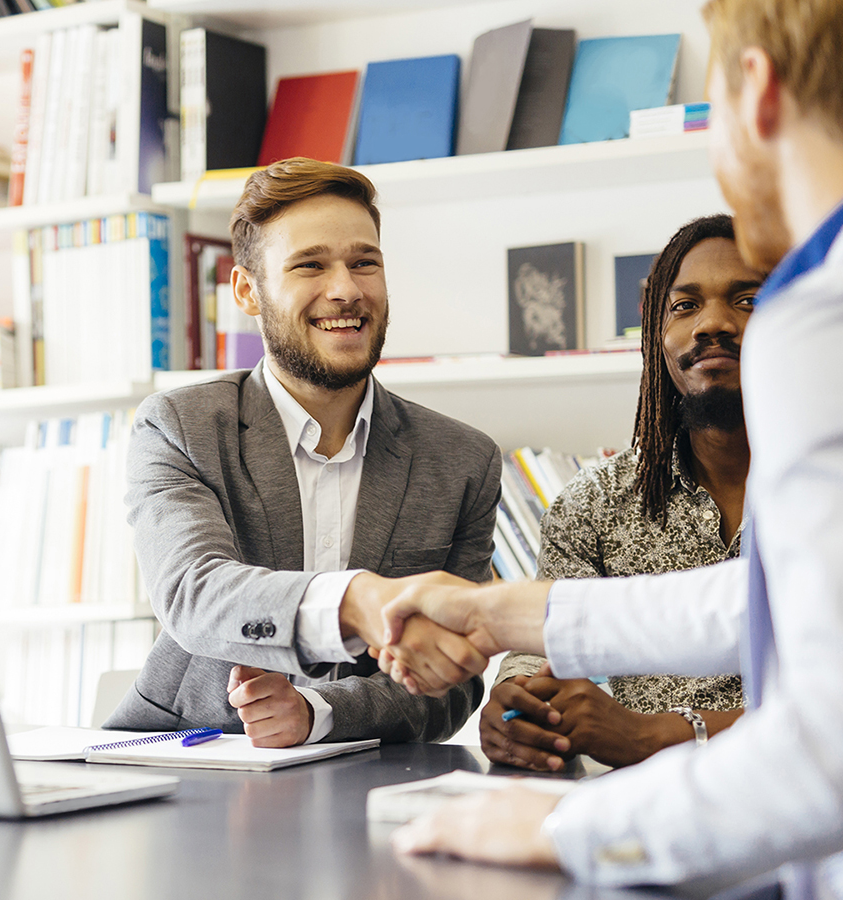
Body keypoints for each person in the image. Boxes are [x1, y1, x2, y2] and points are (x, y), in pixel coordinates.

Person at [375, 0, 843, 891]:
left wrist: (576, 826)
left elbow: (826, 746)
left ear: (756, 91)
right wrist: (501, 614)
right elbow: (785, 600)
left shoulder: (819, 322)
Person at [103, 157, 501, 747]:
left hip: (367, 774)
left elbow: (452, 681)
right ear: (248, 291)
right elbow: (195, 592)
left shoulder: (463, 460)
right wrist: (356, 600)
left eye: (364, 262)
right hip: (187, 755)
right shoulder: (179, 427)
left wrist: (319, 712)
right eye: (309, 265)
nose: (345, 290)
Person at [485, 214, 765, 772]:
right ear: (655, 340)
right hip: (641, 823)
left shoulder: (824, 488)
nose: (713, 323)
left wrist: (661, 734)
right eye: (684, 306)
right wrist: (517, 704)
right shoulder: (594, 504)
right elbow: (540, 642)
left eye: (748, 301)